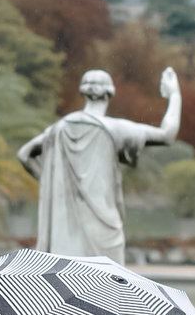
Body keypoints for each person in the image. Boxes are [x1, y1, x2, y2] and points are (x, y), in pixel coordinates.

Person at [17, 67, 182, 263]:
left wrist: (52, 183)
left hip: (64, 227)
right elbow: (167, 134)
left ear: (84, 93)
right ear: (108, 93)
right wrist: (174, 95)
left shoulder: (59, 128)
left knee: (63, 284)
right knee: (109, 286)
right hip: (102, 225)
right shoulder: (114, 128)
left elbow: (24, 154)